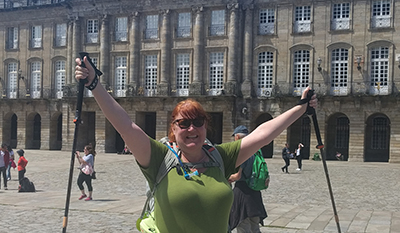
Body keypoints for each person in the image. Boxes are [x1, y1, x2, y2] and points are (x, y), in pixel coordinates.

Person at [74, 56, 317, 232]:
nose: (191, 129)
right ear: (173, 129)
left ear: (206, 126)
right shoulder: (159, 158)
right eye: (183, 123)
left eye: (198, 122)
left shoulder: (221, 157)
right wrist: (95, 85)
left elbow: (263, 134)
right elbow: (126, 126)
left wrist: (301, 108)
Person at [228, 125, 268, 233]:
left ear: (237, 137)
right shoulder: (256, 150)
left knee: (243, 226)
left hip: (242, 193)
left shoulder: (242, 152)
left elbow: (237, 176)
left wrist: (227, 177)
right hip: (255, 192)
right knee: (255, 226)